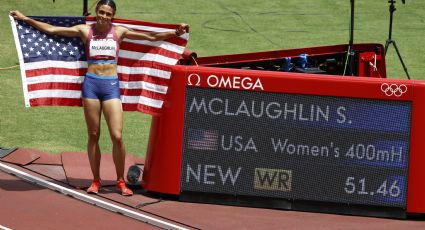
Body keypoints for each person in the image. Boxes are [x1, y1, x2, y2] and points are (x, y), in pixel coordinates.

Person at [10, 0, 189, 196]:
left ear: (113, 15)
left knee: (117, 136)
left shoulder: (119, 32)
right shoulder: (85, 30)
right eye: (101, 12)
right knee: (93, 134)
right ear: (96, 12)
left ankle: (121, 181)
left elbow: (151, 36)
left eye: (108, 14)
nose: (104, 16)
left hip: (111, 86)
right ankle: (96, 181)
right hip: (91, 85)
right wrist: (25, 18)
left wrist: (176, 33)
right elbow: (53, 30)